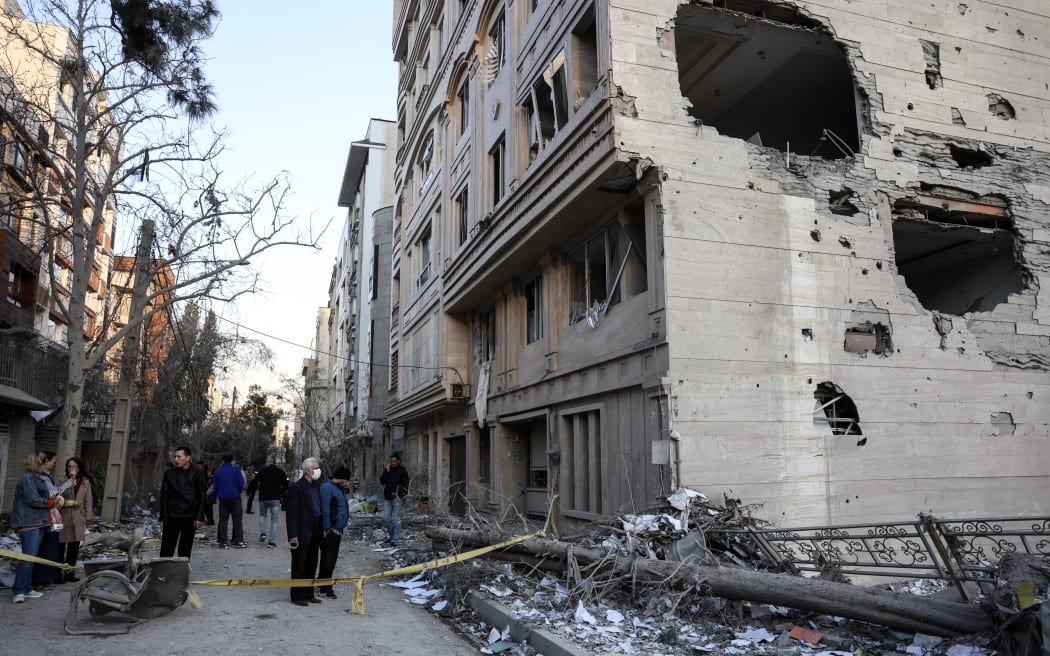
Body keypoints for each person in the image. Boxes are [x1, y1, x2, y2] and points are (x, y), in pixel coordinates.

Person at [11, 454, 68, 602]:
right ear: (37, 464)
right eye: (42, 463)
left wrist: (52, 498)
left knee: (31, 557)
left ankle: (27, 588)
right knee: (27, 558)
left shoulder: (36, 478)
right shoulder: (28, 479)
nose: (45, 465)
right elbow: (32, 499)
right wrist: (51, 502)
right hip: (28, 523)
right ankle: (19, 590)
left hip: (38, 522)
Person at [286, 457, 323, 606]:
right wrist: (293, 535)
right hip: (301, 530)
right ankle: (297, 596)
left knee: (312, 563)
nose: (318, 470)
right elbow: (291, 514)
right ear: (307, 470)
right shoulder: (297, 488)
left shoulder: (316, 486)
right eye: (315, 467)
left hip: (315, 528)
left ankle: (309, 593)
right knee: (299, 564)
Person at [159, 445, 207, 559]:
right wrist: (164, 516)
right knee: (166, 549)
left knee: (185, 551)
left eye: (179, 457)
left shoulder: (198, 474)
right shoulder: (169, 474)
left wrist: (199, 517)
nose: (176, 459)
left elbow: (202, 497)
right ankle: (162, 574)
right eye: (175, 457)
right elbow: (164, 495)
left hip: (190, 517)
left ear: (188, 457)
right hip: (172, 516)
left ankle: (181, 574)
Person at [56, 457, 92, 583]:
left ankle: (69, 573)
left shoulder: (85, 482)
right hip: (64, 516)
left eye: (75, 466)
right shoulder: (61, 480)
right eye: (70, 466)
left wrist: (88, 518)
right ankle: (57, 574)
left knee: (74, 547)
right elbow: (56, 498)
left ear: (79, 468)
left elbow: (88, 501)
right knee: (60, 547)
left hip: (78, 517)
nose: (72, 469)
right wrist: (69, 502)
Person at [317, 466, 350, 599]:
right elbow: (325, 509)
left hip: (337, 529)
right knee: (328, 560)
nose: (348, 483)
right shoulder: (327, 488)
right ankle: (325, 589)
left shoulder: (339, 489)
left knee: (331, 559)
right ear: (342, 478)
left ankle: (321, 582)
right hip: (330, 530)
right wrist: (326, 528)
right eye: (347, 480)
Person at [33, 451, 61, 588]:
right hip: (42, 518)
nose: (54, 465)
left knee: (49, 547)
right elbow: (51, 496)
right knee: (43, 548)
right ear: (46, 461)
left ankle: (44, 578)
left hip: (49, 518)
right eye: (53, 462)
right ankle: (39, 579)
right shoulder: (39, 478)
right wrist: (56, 500)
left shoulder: (46, 476)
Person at [212, 454, 246, 548]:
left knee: (223, 520)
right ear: (231, 461)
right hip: (235, 497)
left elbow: (215, 486)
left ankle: (223, 541)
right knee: (237, 520)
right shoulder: (236, 470)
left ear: (223, 461)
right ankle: (238, 540)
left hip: (223, 498)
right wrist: (237, 491)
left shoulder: (218, 471)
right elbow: (241, 483)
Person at [255, 456, 288, 546]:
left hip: (263, 498)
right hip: (275, 499)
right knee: (274, 520)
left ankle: (263, 533)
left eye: (266, 462)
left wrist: (250, 491)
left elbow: (254, 481)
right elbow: (285, 485)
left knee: (262, 516)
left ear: (269, 462)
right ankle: (271, 541)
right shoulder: (280, 472)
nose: (265, 463)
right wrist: (280, 492)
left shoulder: (262, 471)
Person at [379, 453, 410, 546]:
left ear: (398, 461)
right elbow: (382, 481)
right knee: (386, 518)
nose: (392, 463)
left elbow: (406, 484)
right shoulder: (389, 470)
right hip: (388, 498)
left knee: (396, 519)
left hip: (397, 498)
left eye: (394, 461)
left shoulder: (402, 470)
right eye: (391, 461)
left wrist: (401, 495)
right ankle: (392, 537)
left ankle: (395, 540)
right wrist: (386, 471)